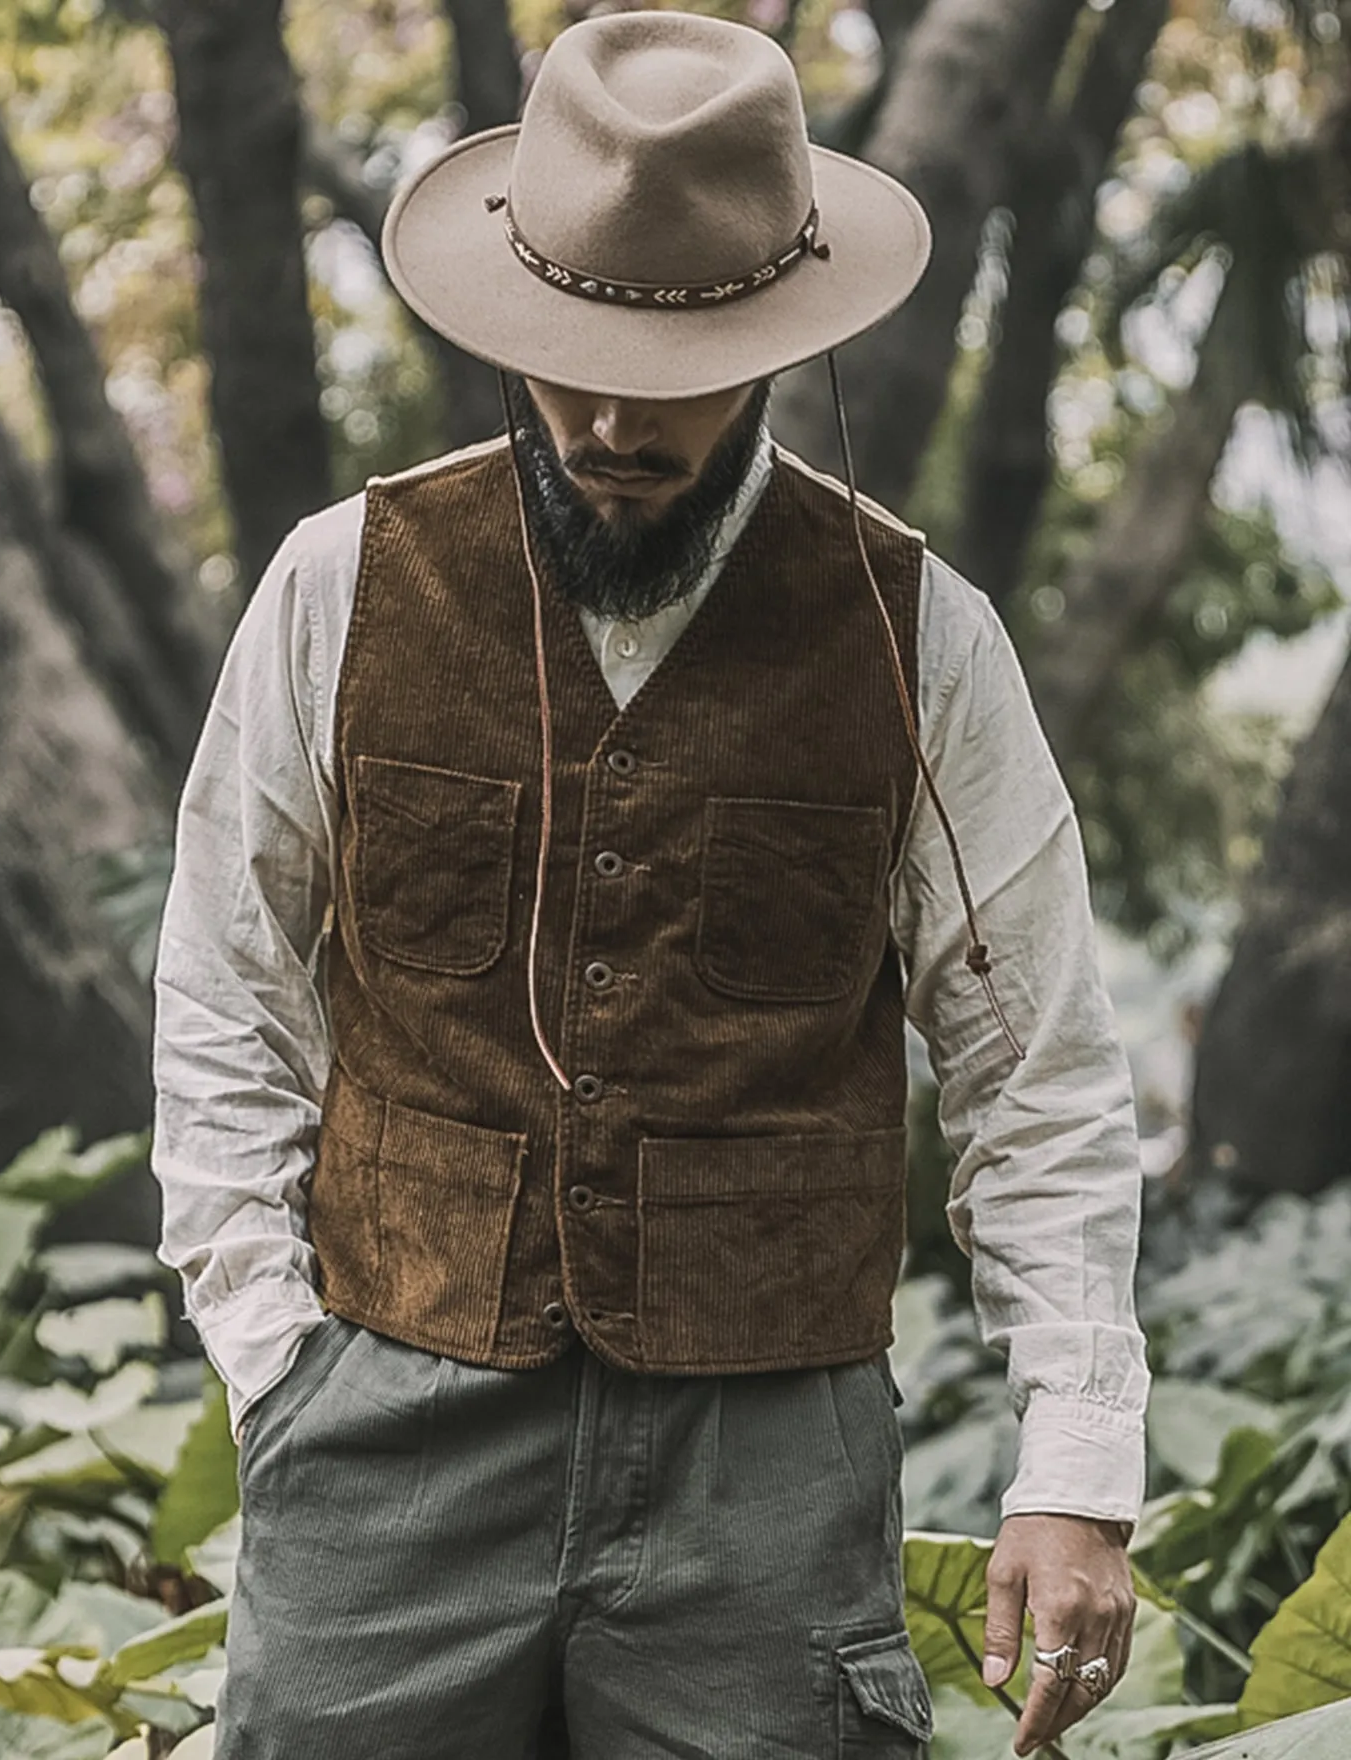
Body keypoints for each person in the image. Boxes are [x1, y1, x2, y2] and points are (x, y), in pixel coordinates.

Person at [150, 12, 1149, 1758]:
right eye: (567, 356)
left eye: (672, 366)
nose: (610, 417)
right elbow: (227, 991)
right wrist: (276, 1360)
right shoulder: (339, 587)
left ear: (776, 340)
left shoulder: (927, 641)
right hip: (383, 1422)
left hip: (762, 1466)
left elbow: (1036, 1068)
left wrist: (1074, 1471)